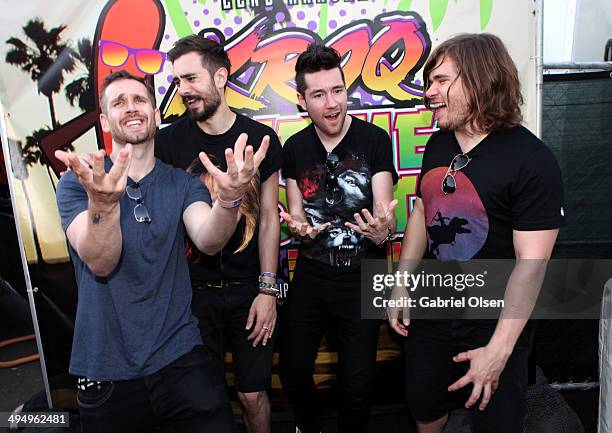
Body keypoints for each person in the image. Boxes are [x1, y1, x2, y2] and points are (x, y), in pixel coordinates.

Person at [55, 70, 268, 433]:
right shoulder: (81, 184)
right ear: (105, 120)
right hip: (109, 371)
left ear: (155, 114)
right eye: (118, 102)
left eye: (139, 100)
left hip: (180, 357)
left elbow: (209, 238)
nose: (131, 108)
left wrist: (230, 197)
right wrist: (104, 206)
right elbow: (102, 262)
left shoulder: (183, 184)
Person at [390, 33, 565, 433]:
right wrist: (401, 284)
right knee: (425, 407)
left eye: (441, 81)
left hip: (494, 321)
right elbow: (423, 212)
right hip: (432, 310)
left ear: (479, 80)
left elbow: (531, 267)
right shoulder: (438, 145)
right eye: (429, 82)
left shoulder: (532, 160)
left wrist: (499, 351)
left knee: (495, 423)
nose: (429, 93)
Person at [154, 35, 282, 433]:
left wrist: (267, 290)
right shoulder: (167, 143)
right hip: (191, 295)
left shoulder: (261, 138)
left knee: (252, 394)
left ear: (221, 76)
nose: (184, 90)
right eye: (177, 82)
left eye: (191, 78)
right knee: (202, 400)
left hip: (249, 290)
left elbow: (268, 218)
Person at [279, 43, 398, 433]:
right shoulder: (294, 148)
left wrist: (383, 230)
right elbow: (296, 210)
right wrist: (297, 227)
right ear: (302, 101)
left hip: (363, 276)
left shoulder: (374, 140)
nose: (332, 103)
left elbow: (384, 209)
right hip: (312, 273)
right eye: (319, 94)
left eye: (338, 90)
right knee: (293, 369)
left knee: (358, 382)